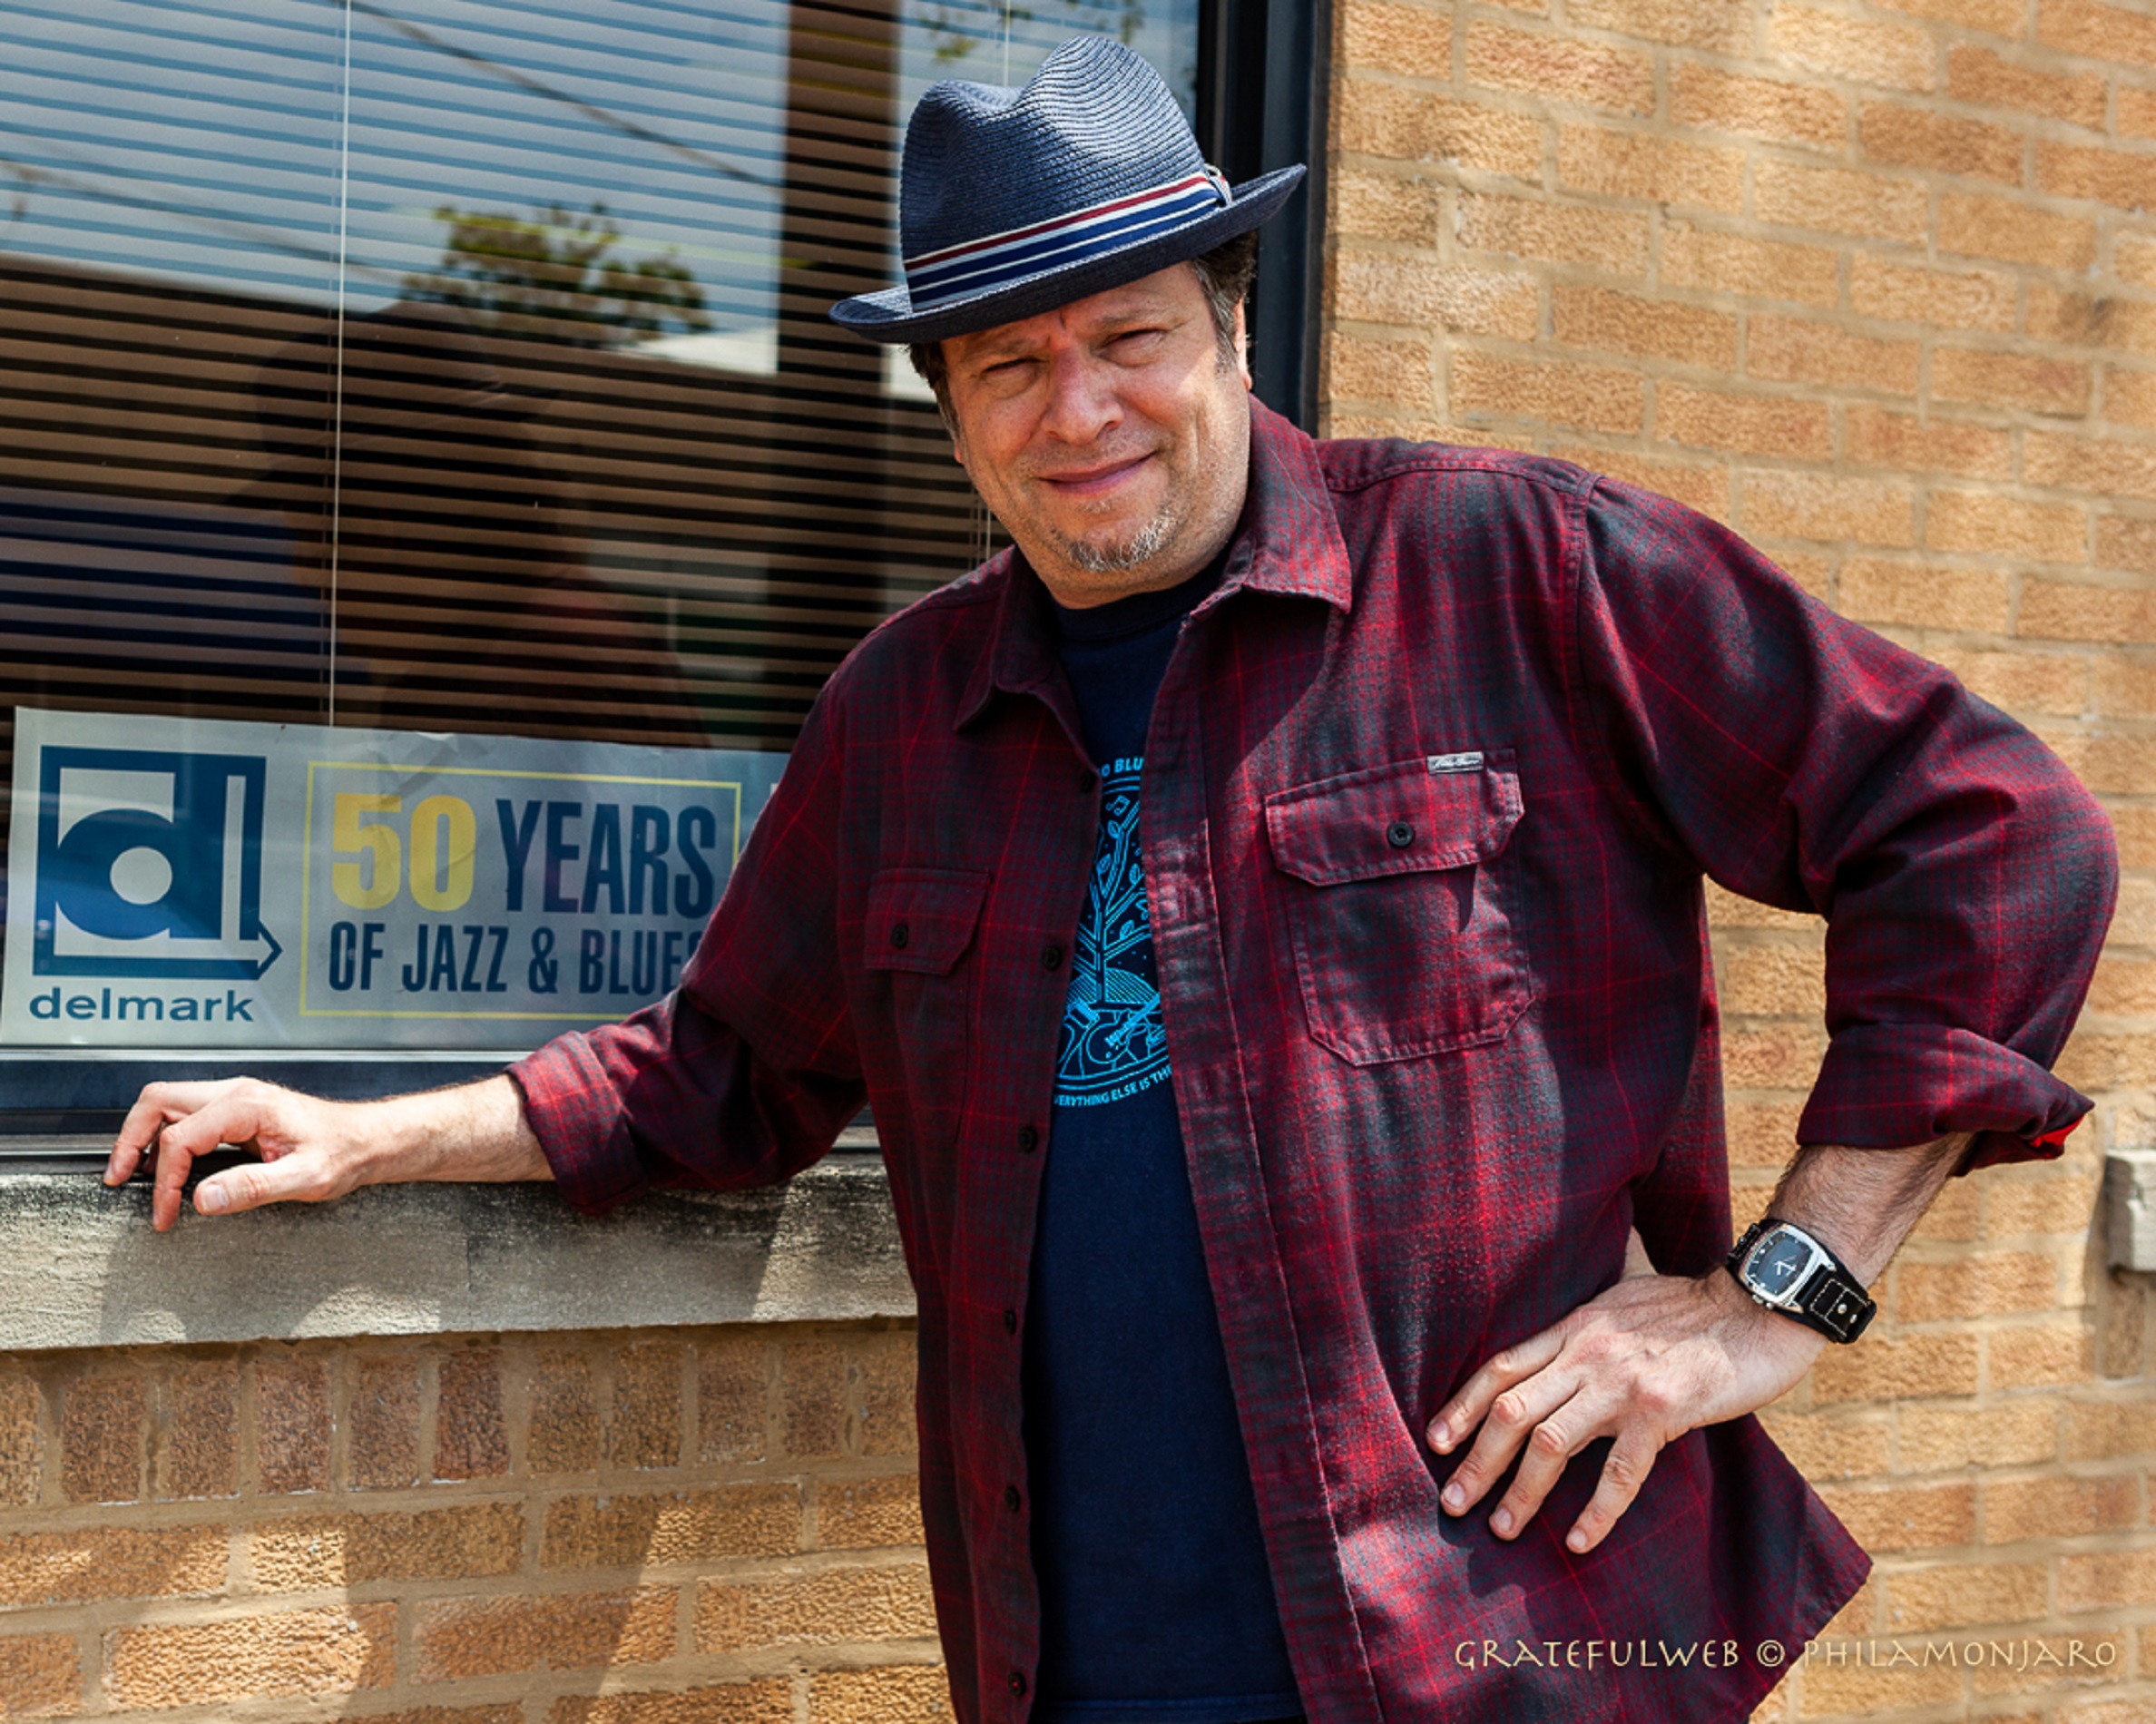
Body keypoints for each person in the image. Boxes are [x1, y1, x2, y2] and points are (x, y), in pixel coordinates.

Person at [106, 35, 2117, 1724]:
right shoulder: (907, 714)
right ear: (952, 414)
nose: (1079, 408)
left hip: (1512, 1652)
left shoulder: (1517, 574)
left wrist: (1779, 1293)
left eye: (1130, 335)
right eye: (1006, 363)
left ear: (1233, 326)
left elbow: (1992, 831)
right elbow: (710, 1070)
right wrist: (371, 1135)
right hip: (1076, 1662)